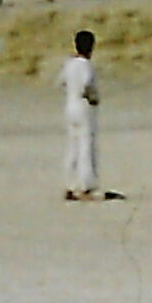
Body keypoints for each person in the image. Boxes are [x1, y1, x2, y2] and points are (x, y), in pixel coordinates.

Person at [60, 29, 106, 201]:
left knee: (73, 145)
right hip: (84, 108)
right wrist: (94, 98)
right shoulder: (86, 65)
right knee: (87, 146)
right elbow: (87, 85)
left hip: (70, 106)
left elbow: (62, 82)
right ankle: (87, 186)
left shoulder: (69, 64)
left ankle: (70, 184)